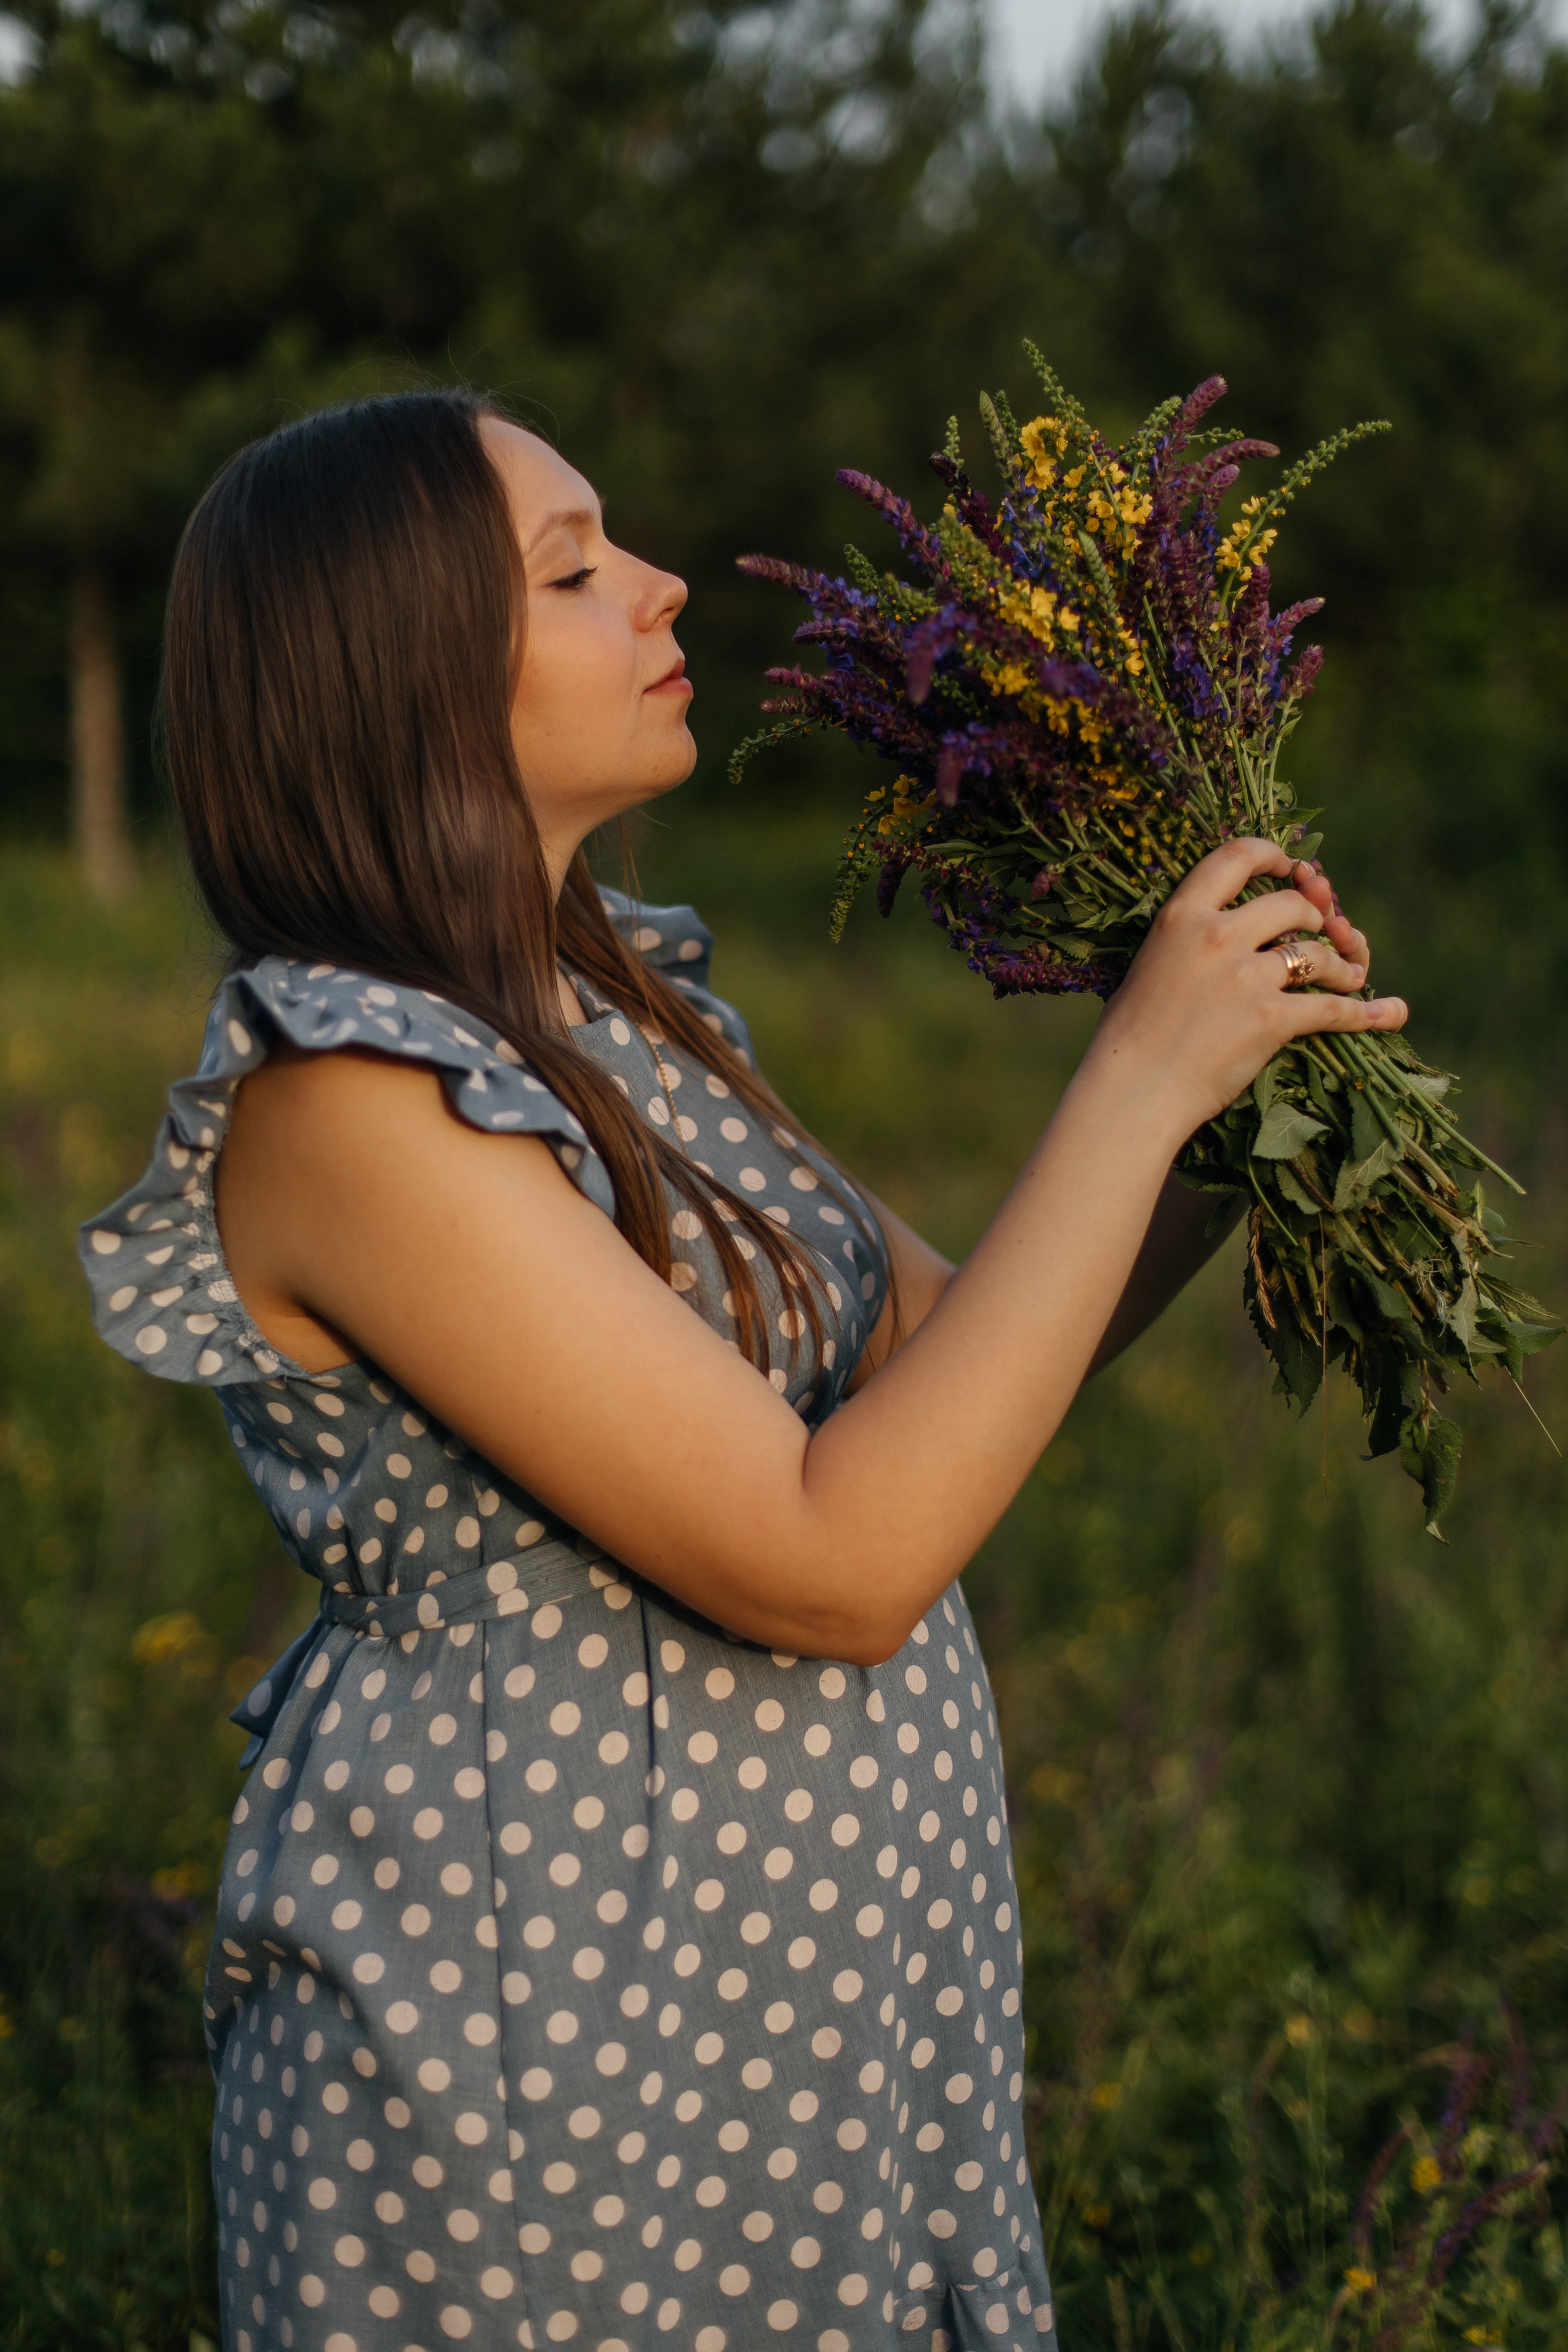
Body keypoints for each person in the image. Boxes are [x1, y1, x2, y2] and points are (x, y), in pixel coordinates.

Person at [79, 389, 1402, 2352]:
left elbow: (946, 1354)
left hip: (798, 2035)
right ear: (399, 671)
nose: (663, 585)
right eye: (572, 569)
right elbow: (835, 1562)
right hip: (546, 2067)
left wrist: (1226, 1111)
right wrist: (1137, 1076)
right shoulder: (346, 1095)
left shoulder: (614, 1010)